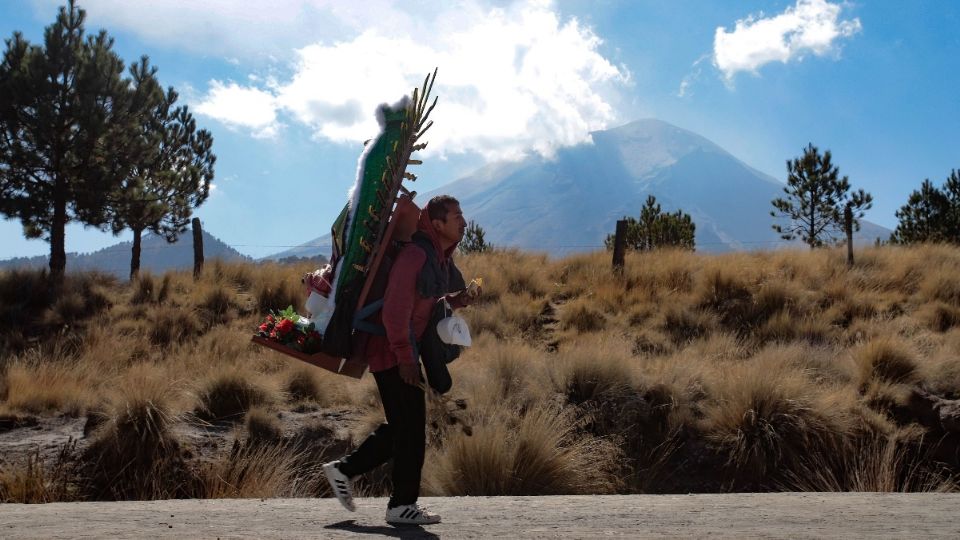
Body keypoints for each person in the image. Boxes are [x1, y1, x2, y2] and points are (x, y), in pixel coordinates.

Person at [323, 195, 477, 526]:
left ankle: (344, 470)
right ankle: (401, 505)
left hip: (398, 350)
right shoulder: (415, 255)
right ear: (437, 224)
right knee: (411, 430)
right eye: (457, 216)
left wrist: (455, 301)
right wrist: (406, 359)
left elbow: (423, 303)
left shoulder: (434, 256)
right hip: (392, 351)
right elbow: (395, 311)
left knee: (404, 428)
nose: (464, 222)